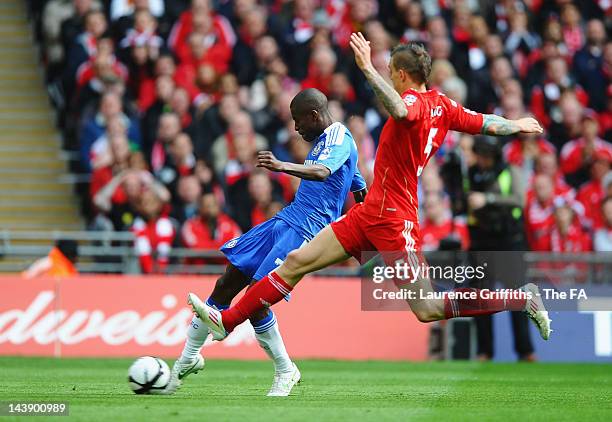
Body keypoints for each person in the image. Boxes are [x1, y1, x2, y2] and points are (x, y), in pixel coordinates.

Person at [189, 34, 551, 359]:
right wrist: (517, 125)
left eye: (391, 71)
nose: (390, 76)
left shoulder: (413, 103)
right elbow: (486, 122)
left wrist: (365, 67)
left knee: (426, 308)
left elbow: (400, 109)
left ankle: (521, 299)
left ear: (402, 74)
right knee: (296, 261)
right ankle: (228, 321)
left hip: (396, 219)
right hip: (370, 211)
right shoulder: (445, 106)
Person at [166, 88, 367, 396]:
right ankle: (187, 360)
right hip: (286, 220)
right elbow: (356, 181)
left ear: (314, 116)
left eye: (298, 122)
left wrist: (282, 165)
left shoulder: (338, 136)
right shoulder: (329, 142)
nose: (297, 129)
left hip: (306, 228)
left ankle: (286, 370)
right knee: (227, 282)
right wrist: (364, 203)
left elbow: (324, 170)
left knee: (257, 297)